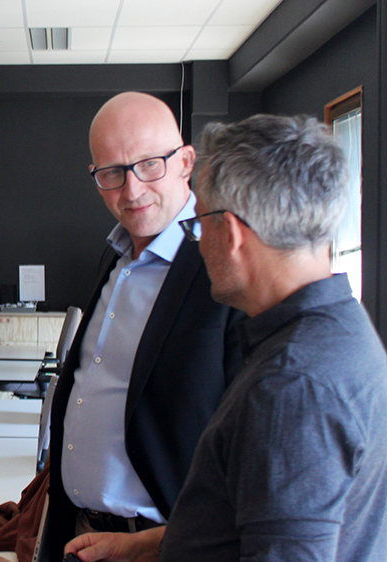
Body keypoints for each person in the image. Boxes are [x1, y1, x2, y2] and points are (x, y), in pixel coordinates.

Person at [66, 115, 387, 562]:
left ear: (230, 234)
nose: (196, 240)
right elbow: (259, 517)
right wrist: (146, 545)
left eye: (199, 223)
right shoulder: (340, 332)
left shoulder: (293, 386)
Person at [45, 92, 243, 553]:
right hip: (79, 532)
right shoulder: (115, 257)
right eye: (112, 173)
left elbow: (252, 443)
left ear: (186, 162)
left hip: (162, 545)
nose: (131, 191)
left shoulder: (226, 265)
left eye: (150, 164)